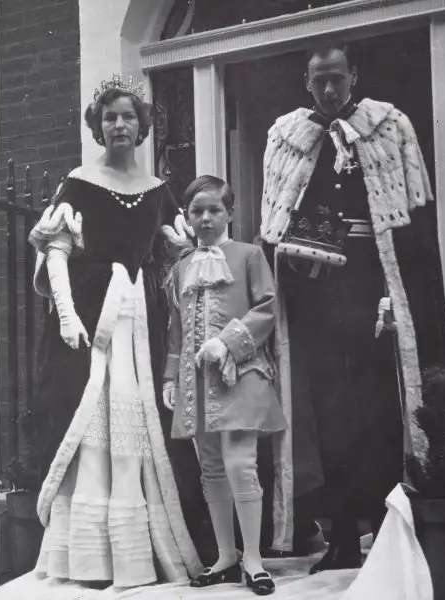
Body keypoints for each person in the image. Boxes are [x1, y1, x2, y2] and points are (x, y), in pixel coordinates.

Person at [257, 43, 445, 573]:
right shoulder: (286, 137)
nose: (328, 89)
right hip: (315, 297)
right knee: (329, 415)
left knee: (377, 411)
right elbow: (273, 228)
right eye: (319, 79)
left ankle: (384, 530)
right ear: (306, 80)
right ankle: (341, 534)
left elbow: (412, 225)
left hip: (373, 291)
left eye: (337, 78)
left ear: (353, 76)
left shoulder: (388, 128)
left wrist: (399, 292)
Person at [26, 74, 201, 587]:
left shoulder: (158, 192)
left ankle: (137, 553)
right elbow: (54, 254)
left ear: (143, 126)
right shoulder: (78, 183)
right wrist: (67, 316)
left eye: (128, 116)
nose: (119, 124)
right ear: (99, 127)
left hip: (139, 321)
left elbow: (176, 257)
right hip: (88, 317)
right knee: (90, 422)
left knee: (137, 426)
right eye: (110, 117)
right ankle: (87, 558)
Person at [162, 176, 287, 596]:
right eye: (196, 211)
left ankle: (253, 558)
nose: (205, 218)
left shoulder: (249, 255)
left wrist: (227, 341)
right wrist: (170, 374)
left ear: (230, 213)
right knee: (211, 469)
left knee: (239, 464)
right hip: (197, 383)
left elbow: (267, 309)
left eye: (214, 209)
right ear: (187, 217)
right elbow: (176, 328)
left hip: (241, 374)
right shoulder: (181, 267)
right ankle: (226, 557)